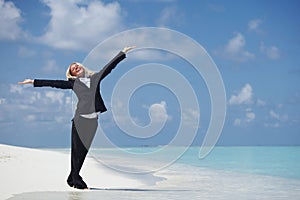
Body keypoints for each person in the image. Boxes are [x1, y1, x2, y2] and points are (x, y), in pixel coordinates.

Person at [18, 46, 136, 189]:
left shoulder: (95, 78)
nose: (76, 67)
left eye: (77, 65)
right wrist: (33, 82)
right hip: (80, 120)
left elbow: (109, 67)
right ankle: (76, 179)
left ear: (82, 67)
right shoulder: (73, 84)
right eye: (73, 68)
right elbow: (54, 83)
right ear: (72, 74)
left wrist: (123, 52)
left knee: (84, 151)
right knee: (77, 151)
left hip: (93, 122)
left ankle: (72, 177)